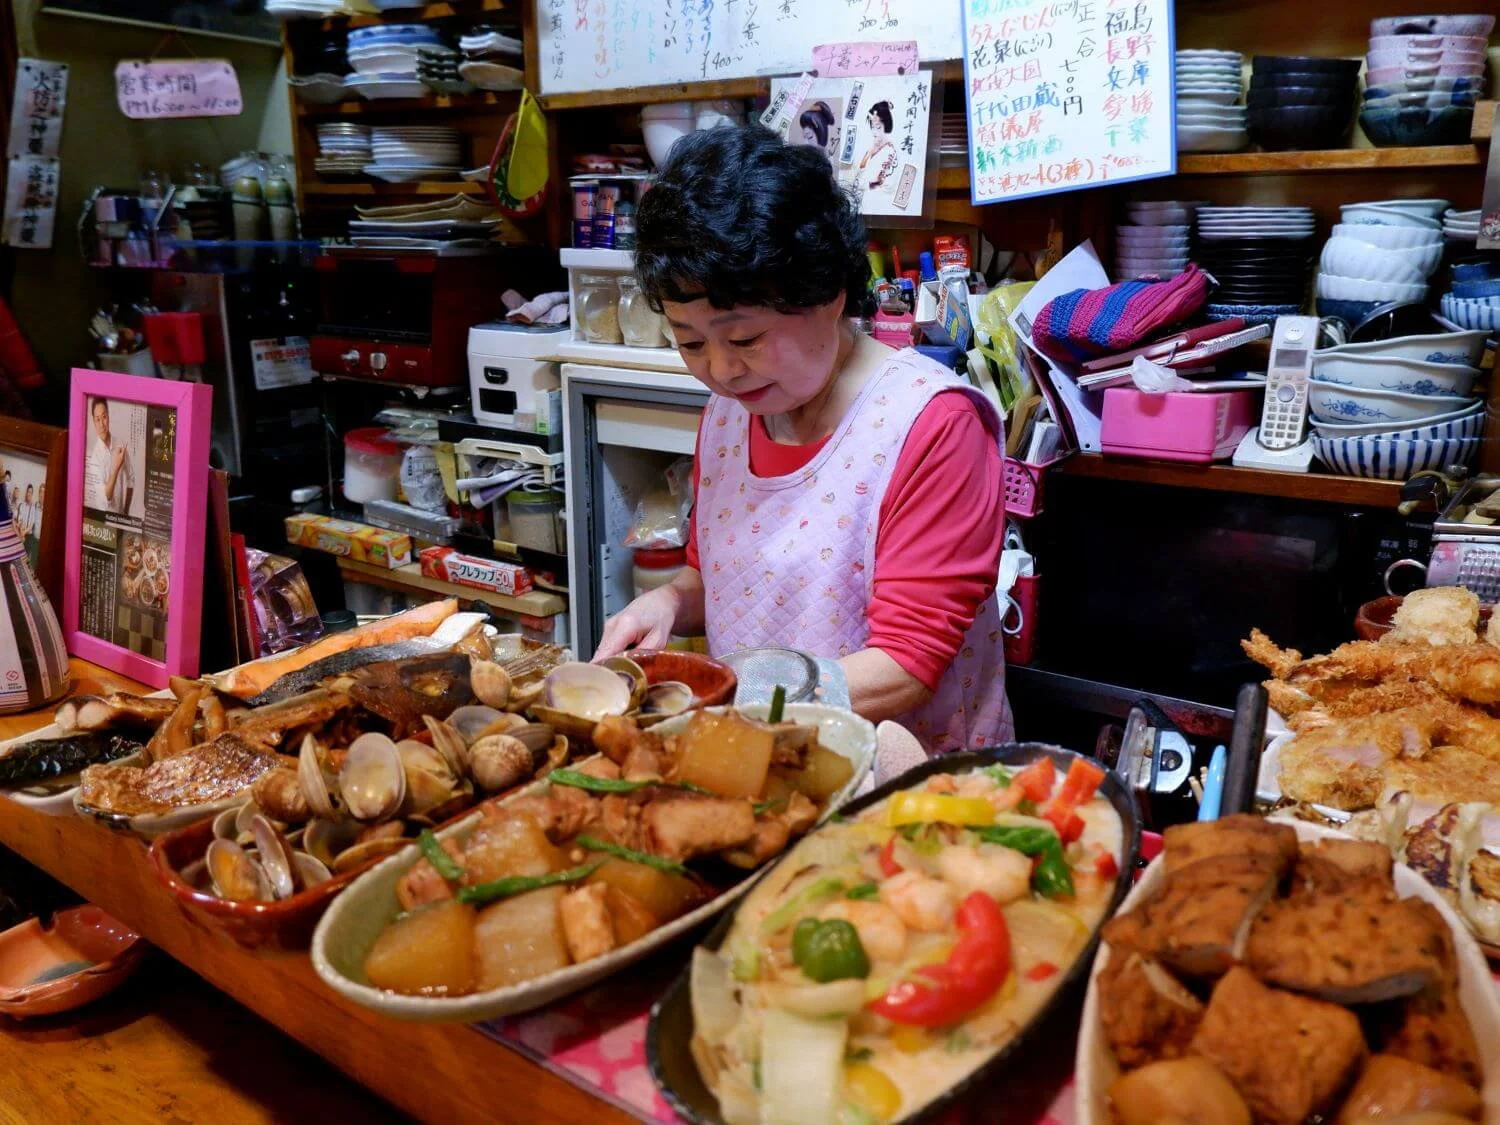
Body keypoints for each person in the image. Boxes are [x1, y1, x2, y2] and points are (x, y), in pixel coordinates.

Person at [594, 126, 1011, 752]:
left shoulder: (931, 425)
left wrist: (729, 697)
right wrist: (669, 606)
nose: (721, 370)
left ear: (828, 294)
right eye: (689, 342)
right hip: (760, 757)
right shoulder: (730, 414)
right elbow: (723, 578)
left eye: (744, 340)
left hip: (909, 789)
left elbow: (906, 668)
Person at [87, 397, 133, 516]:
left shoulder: (120, 444)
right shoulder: (93, 457)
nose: (102, 424)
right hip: (103, 522)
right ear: (93, 421)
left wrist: (126, 512)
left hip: (121, 517)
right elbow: (106, 497)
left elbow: (131, 479)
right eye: (97, 419)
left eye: (104, 417)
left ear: (109, 417)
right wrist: (115, 469)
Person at [857, 101, 899, 192]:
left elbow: (887, 186)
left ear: (886, 125)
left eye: (878, 127)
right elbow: (858, 182)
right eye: (872, 127)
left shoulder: (889, 150)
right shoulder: (872, 147)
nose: (874, 132)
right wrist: (869, 153)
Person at [19, 483, 38, 569]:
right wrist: (21, 531)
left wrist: (25, 531)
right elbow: (20, 519)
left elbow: (31, 524)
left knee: (25, 559)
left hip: (28, 537)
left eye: (30, 492)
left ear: (32, 494)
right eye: (28, 492)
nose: (29, 494)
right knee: (18, 558)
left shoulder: (34, 507)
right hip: (20, 533)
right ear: (26, 493)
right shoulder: (22, 505)